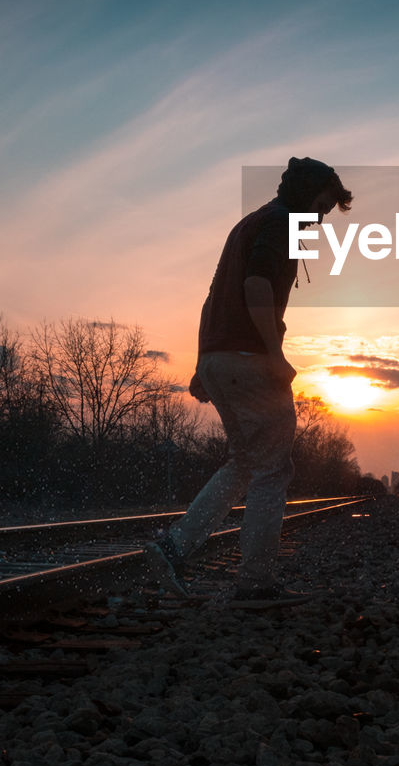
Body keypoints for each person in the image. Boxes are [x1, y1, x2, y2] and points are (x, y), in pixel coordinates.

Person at [144, 156, 353, 606]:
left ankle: (173, 547)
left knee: (246, 462)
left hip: (222, 358)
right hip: (249, 359)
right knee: (273, 469)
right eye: (319, 207)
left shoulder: (250, 224)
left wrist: (205, 361)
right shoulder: (281, 224)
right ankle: (255, 583)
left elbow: (211, 298)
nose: (319, 220)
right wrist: (274, 355)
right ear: (302, 194)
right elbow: (256, 287)